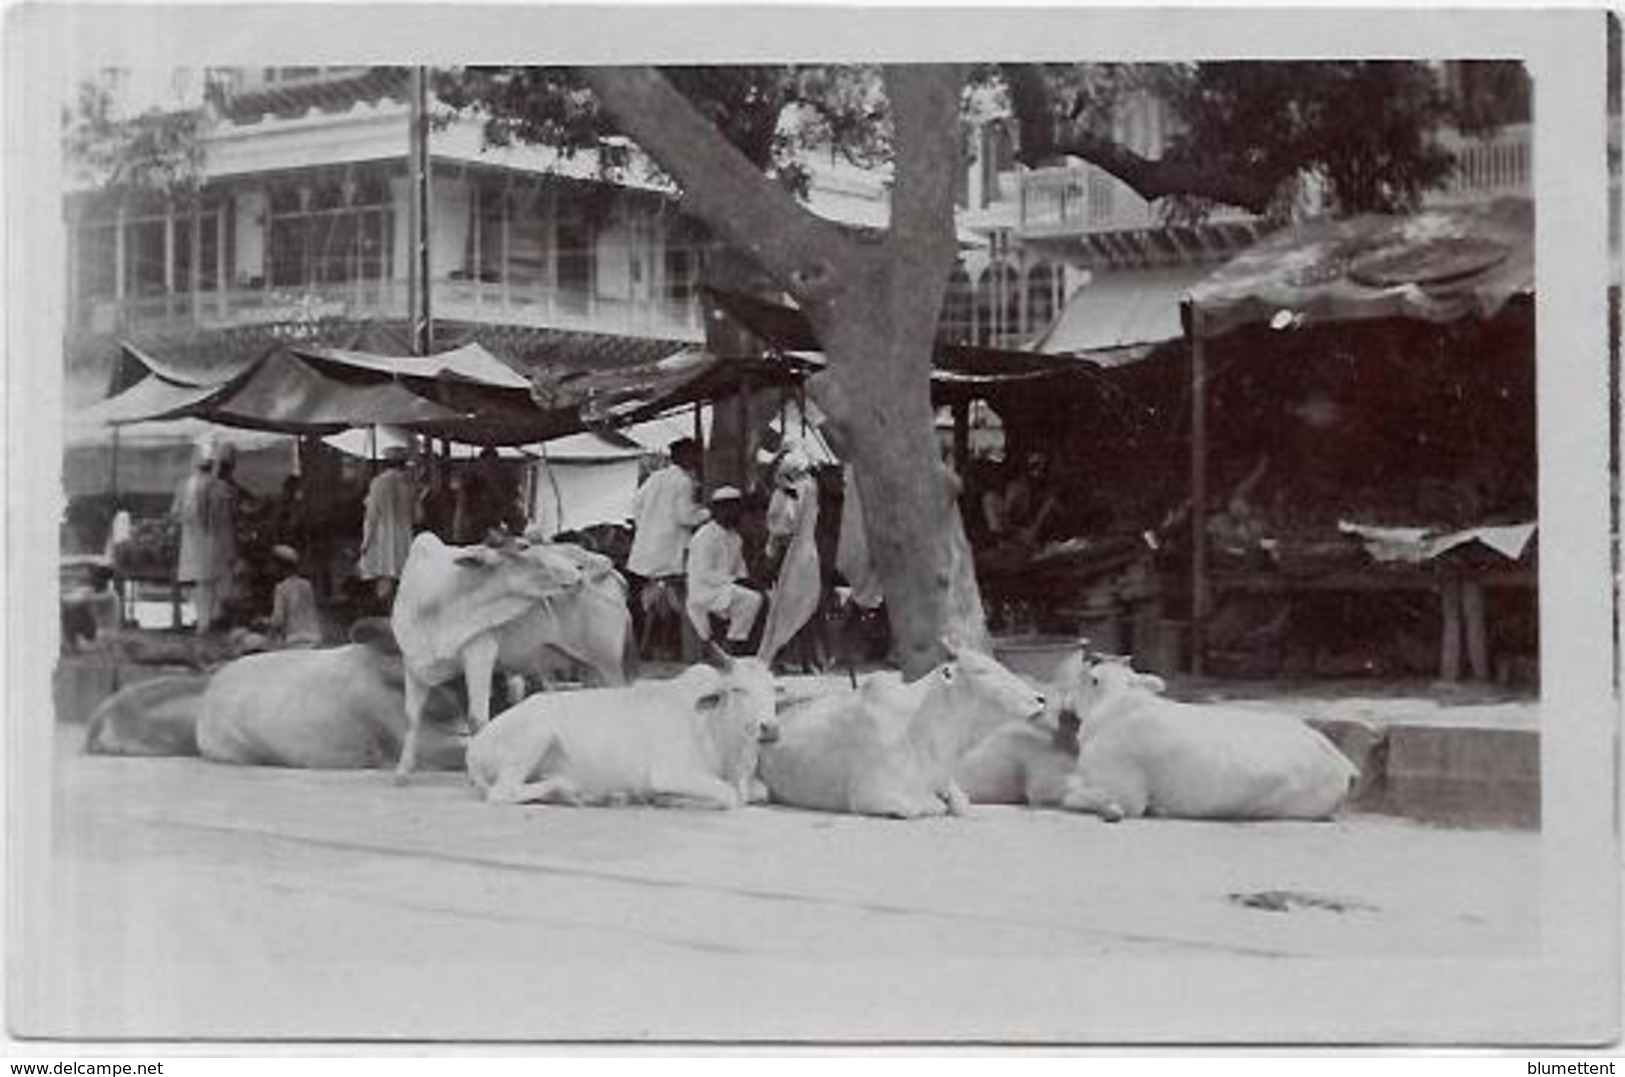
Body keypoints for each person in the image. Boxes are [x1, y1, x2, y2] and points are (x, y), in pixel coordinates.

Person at [757, 450, 823, 667]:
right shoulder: (810, 489)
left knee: (787, 603)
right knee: (803, 601)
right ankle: (805, 659)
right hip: (805, 549)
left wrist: (772, 551)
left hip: (792, 550)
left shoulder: (789, 492)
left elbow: (780, 526)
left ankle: (792, 657)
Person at [685, 486, 762, 653]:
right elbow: (704, 574)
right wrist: (736, 581)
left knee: (758, 596)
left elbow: (740, 569)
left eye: (736, 509)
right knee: (751, 600)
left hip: (724, 590)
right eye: (728, 508)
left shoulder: (735, 537)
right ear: (718, 510)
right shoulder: (705, 536)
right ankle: (732, 646)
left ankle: (743, 647)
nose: (733, 513)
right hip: (704, 591)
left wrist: (747, 581)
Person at [358, 446, 415, 606]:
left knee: (385, 579)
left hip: (382, 540)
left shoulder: (378, 483)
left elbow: (371, 517)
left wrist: (365, 544)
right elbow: (418, 517)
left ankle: (386, 617)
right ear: (403, 463)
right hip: (405, 540)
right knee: (404, 580)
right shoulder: (409, 485)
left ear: (386, 462)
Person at [262, 544, 322, 649]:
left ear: (280, 566)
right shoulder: (307, 584)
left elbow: (278, 621)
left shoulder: (281, 588)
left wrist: (264, 622)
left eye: (273, 564)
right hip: (314, 639)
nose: (271, 568)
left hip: (295, 642)